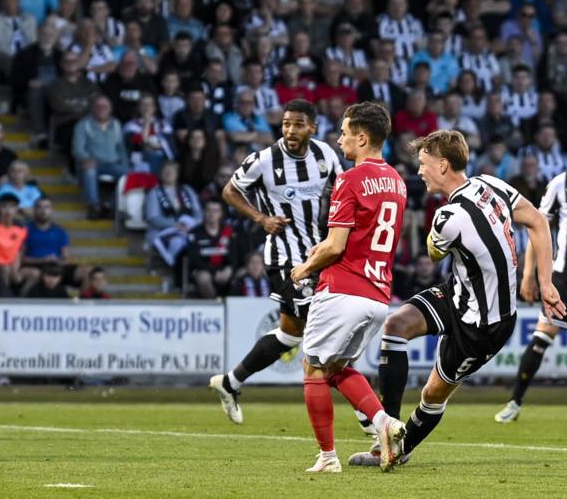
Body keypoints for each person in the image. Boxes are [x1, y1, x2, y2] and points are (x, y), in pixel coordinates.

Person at [348, 130, 564, 468]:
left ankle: (400, 452)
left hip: (485, 325)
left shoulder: (447, 219)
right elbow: (536, 221)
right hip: (457, 293)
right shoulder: (492, 184)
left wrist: (540, 280)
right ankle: (385, 435)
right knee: (395, 325)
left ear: (443, 165)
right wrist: (544, 282)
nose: (419, 171)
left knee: (433, 393)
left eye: (423, 164)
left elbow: (434, 252)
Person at [289, 101, 409, 473]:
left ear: (362, 136)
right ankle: (384, 423)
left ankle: (327, 457)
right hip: (377, 296)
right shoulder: (398, 181)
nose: (339, 139)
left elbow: (336, 245)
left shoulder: (350, 179)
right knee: (337, 367)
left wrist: (304, 267)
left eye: (343, 132)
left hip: (343, 288)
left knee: (312, 368)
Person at [209, 100, 342, 424]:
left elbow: (342, 191)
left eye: (298, 124)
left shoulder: (325, 155)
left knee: (290, 334)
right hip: (283, 258)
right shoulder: (265, 160)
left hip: (315, 256)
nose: (290, 131)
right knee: (324, 326)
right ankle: (369, 417)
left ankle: (231, 381)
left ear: (313, 126)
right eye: (286, 124)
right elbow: (230, 190)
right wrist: (260, 218)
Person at [495, 170, 567, 423]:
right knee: (541, 338)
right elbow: (538, 224)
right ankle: (514, 401)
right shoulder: (560, 184)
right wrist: (529, 274)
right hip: (564, 276)